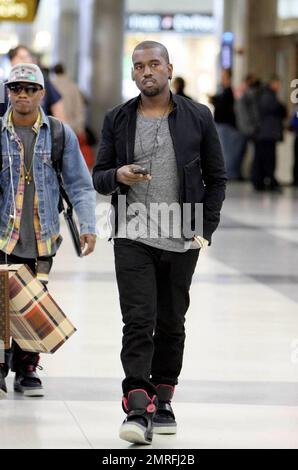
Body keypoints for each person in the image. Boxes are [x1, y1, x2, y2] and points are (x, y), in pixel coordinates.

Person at [93, 41, 226, 445]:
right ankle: (136, 402)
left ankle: (163, 396)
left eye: (154, 64)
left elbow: (217, 177)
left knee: (171, 321)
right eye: (138, 66)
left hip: (182, 234)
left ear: (169, 69)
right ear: (132, 73)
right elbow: (99, 175)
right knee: (138, 319)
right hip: (132, 233)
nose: (146, 71)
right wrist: (118, 174)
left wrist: (206, 226)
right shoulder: (118, 118)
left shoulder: (198, 116)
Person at [0, 63, 97, 399]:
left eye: (30, 89)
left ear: (42, 93)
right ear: (8, 93)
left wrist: (88, 226)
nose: (22, 95)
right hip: (3, 232)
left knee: (33, 301)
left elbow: (80, 185)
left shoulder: (59, 133)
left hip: (43, 235)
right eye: (16, 89)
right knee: (2, 301)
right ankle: (0, 364)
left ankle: (27, 367)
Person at [0, 45, 66, 121]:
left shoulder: (43, 84)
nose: (26, 61)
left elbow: (58, 109)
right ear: (12, 61)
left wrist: (58, 130)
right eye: (21, 58)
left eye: (28, 57)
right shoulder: (2, 87)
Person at [52, 63, 94, 168]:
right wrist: (80, 127)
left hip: (56, 127)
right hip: (73, 127)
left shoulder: (51, 85)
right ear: (64, 71)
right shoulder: (73, 86)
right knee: (73, 158)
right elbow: (80, 108)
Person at [251, 74, 287, 191]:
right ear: (272, 83)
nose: (279, 86)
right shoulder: (267, 95)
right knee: (267, 159)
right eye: (277, 83)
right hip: (266, 133)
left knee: (262, 158)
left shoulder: (264, 94)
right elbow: (279, 109)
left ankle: (261, 181)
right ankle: (268, 181)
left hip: (264, 133)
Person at [209, 68, 244, 180]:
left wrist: (214, 101)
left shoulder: (229, 91)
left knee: (228, 151)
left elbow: (225, 108)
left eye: (224, 76)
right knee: (226, 150)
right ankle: (230, 173)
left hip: (226, 125)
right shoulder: (224, 91)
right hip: (222, 124)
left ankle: (231, 173)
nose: (222, 78)